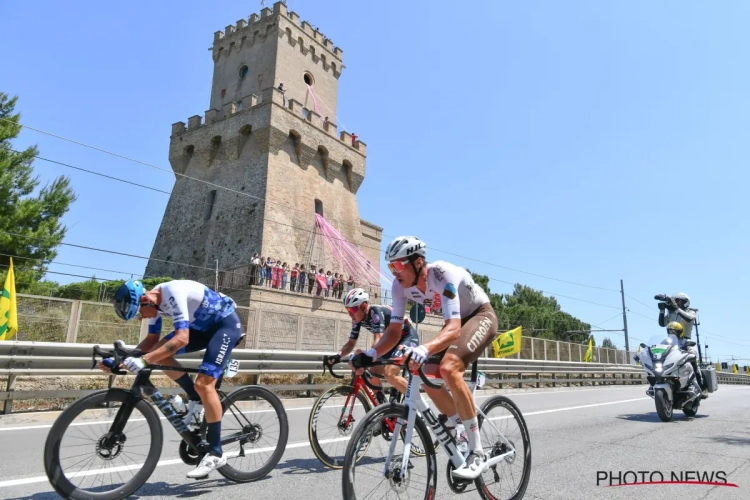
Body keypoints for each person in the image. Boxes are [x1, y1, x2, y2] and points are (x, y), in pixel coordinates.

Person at [349, 236, 497, 480]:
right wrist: (372, 354)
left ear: (418, 262)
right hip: (455, 325)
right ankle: (457, 421)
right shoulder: (399, 287)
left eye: (397, 265)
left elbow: (454, 328)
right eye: (390, 267)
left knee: (449, 368)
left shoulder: (442, 274)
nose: (394, 272)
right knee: (425, 373)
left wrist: (425, 348)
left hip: (480, 316)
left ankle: (477, 453)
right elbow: (394, 331)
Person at [109, 279, 243, 478]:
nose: (140, 319)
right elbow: (151, 341)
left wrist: (144, 361)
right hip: (202, 329)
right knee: (159, 354)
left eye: (138, 314)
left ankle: (216, 453)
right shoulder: (153, 303)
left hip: (225, 326)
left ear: (145, 300)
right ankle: (194, 398)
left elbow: (182, 338)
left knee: (204, 384)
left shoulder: (173, 292)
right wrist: (119, 360)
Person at [329, 288, 420, 407]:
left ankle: (418, 405)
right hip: (391, 342)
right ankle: (383, 409)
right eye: (347, 310)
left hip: (406, 337)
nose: (350, 314)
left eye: (352, 309)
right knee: (371, 373)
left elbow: (379, 339)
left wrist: (365, 357)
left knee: (389, 373)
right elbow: (351, 343)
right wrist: (338, 355)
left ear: (363, 306)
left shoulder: (375, 312)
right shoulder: (357, 319)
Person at [657, 292, 707, 398]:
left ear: (685, 303)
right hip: (672, 342)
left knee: (693, 360)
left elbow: (688, 318)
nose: (676, 302)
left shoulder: (691, 311)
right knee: (660, 358)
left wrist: (675, 308)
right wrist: (662, 310)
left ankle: (702, 387)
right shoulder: (672, 312)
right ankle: (659, 382)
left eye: (678, 301)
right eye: (675, 300)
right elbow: (662, 324)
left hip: (686, 342)